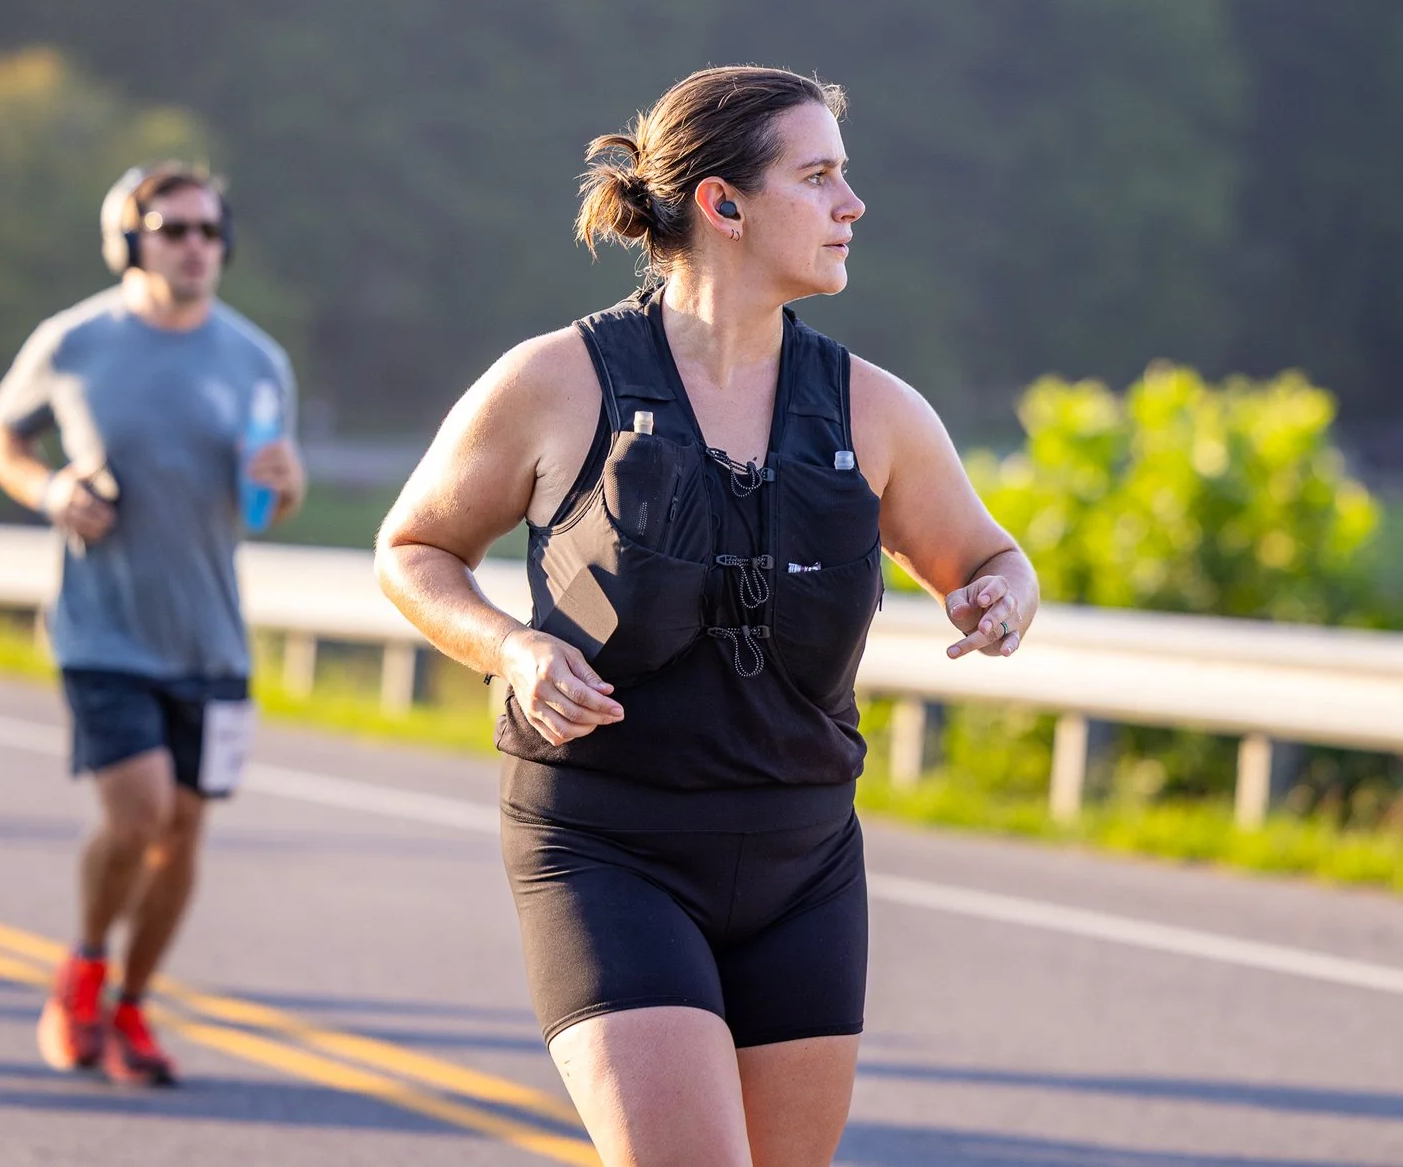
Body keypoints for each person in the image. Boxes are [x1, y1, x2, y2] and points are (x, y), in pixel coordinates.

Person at [375, 67, 1037, 1166]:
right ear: (722, 204)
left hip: (803, 859)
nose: (852, 203)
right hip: (607, 846)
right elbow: (414, 549)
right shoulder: (555, 382)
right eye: (818, 175)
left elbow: (986, 555)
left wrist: (1004, 591)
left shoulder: (873, 407)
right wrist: (515, 644)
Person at [0, 161, 306, 1087]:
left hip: (211, 637)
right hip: (103, 630)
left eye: (208, 230)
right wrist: (51, 488)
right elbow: (0, 432)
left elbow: (263, 500)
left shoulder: (256, 359)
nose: (194, 245)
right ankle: (82, 967)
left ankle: (131, 1006)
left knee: (185, 834)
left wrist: (288, 487)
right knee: (140, 812)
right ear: (130, 239)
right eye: (172, 228)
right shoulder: (75, 342)